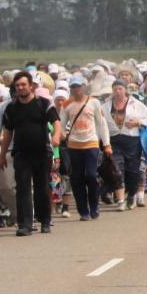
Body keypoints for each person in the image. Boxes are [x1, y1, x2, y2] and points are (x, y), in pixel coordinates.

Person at [0, 72, 55, 235]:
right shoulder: (12, 108)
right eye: (18, 86)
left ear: (31, 86)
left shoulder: (43, 104)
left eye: (23, 85)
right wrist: (1, 156)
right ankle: (25, 224)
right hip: (21, 154)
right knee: (22, 188)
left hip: (42, 152)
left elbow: (56, 122)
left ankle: (45, 221)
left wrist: (56, 138)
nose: (20, 88)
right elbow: (7, 132)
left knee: (42, 188)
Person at [58, 75, 111, 221]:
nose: (76, 89)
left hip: (91, 143)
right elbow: (61, 125)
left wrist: (106, 144)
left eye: (78, 86)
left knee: (91, 176)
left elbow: (101, 124)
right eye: (73, 87)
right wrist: (60, 134)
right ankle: (83, 210)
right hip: (74, 145)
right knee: (77, 178)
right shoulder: (67, 104)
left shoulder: (93, 102)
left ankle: (94, 206)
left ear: (83, 87)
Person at [108, 80, 147, 211]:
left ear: (125, 90)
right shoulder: (106, 105)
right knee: (116, 169)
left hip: (132, 139)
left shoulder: (135, 104)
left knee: (133, 171)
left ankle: (131, 195)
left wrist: (137, 122)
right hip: (114, 139)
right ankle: (121, 200)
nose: (117, 91)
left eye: (120, 89)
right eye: (115, 89)